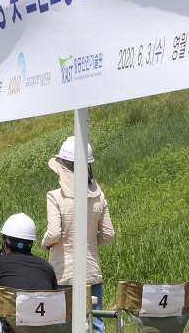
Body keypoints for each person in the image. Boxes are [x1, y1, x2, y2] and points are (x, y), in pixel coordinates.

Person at [42, 136, 114, 333]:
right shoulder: (99, 197)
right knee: (95, 323)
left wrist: (45, 243)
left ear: (63, 165)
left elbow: (54, 233)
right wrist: (87, 242)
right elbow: (108, 235)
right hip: (91, 271)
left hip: (62, 273)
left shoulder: (55, 196)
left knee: (63, 323)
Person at [0, 213, 58, 332]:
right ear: (31, 244)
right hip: (43, 329)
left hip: (10, 330)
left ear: (4, 243)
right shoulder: (47, 267)